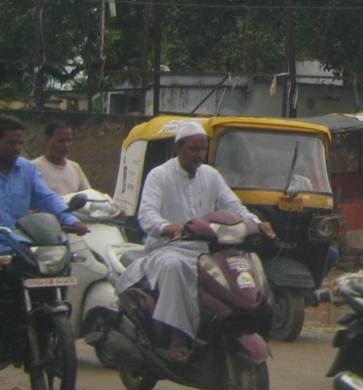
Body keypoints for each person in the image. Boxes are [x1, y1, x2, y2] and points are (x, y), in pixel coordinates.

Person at [116, 121, 275, 358]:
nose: (199, 155)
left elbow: (232, 205)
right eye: (193, 149)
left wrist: (256, 222)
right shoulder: (159, 175)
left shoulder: (211, 175)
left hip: (206, 248)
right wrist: (166, 227)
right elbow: (147, 213)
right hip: (168, 248)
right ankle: (176, 335)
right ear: (178, 148)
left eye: (202, 149)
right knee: (174, 267)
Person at [0, 115, 87, 251]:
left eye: (20, 143)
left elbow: (47, 198)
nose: (17, 148)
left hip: (19, 247)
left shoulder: (27, 169)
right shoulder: (37, 164)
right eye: (11, 143)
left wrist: (72, 220)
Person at [32, 120, 92, 196]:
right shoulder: (33, 168)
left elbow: (88, 196)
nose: (66, 145)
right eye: (61, 141)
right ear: (47, 140)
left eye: (69, 141)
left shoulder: (75, 168)